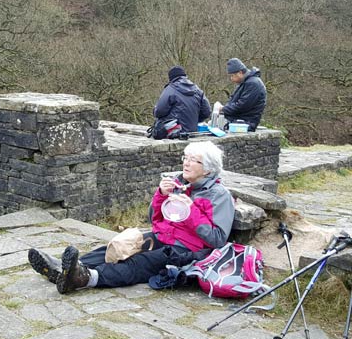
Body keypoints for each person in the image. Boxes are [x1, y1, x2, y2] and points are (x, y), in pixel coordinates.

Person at [28, 141, 235, 294]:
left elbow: (217, 239)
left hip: (188, 251)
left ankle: (85, 278)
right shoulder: (181, 185)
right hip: (162, 236)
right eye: (185, 158)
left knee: (140, 262)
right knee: (116, 246)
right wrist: (160, 195)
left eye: (193, 160)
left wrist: (191, 212)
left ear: (207, 169)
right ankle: (66, 268)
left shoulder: (219, 196)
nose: (186, 164)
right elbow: (154, 219)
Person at [153, 66, 211, 133]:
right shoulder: (198, 90)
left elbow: (159, 112)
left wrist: (154, 110)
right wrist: (194, 120)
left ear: (171, 78)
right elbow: (207, 112)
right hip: (193, 131)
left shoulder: (170, 89)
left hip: (174, 131)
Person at [221, 58, 267, 132]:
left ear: (240, 73)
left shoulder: (253, 84)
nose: (231, 79)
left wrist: (223, 109)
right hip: (240, 121)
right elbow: (233, 100)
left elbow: (242, 106)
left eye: (232, 76)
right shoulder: (245, 83)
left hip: (246, 123)